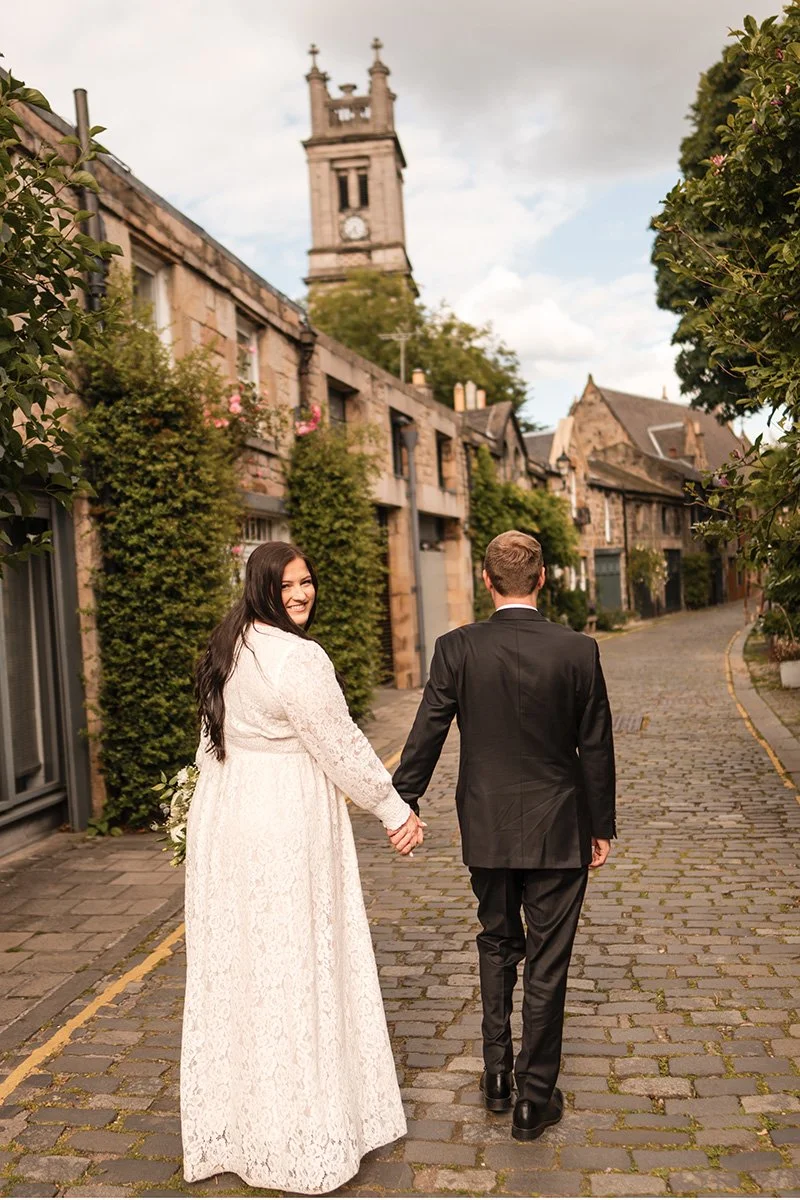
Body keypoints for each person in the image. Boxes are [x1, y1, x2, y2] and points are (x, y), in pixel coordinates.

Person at [181, 541, 424, 1194]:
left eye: (308, 581)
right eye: (288, 584)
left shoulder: (230, 645)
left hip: (231, 819)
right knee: (298, 967)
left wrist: (202, 829)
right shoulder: (298, 658)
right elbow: (340, 746)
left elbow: (211, 745)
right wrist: (393, 809)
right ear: (261, 586)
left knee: (247, 970)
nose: (302, 593)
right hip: (286, 823)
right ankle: (302, 1137)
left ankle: (241, 1127)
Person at [391, 530, 616, 1142]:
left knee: (496, 942)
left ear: (487, 582)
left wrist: (400, 800)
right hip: (559, 826)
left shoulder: (456, 649)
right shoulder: (577, 650)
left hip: (486, 824)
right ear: (541, 578)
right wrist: (601, 826)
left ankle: (496, 1077)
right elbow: (594, 745)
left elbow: (427, 733)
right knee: (547, 961)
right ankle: (533, 1099)